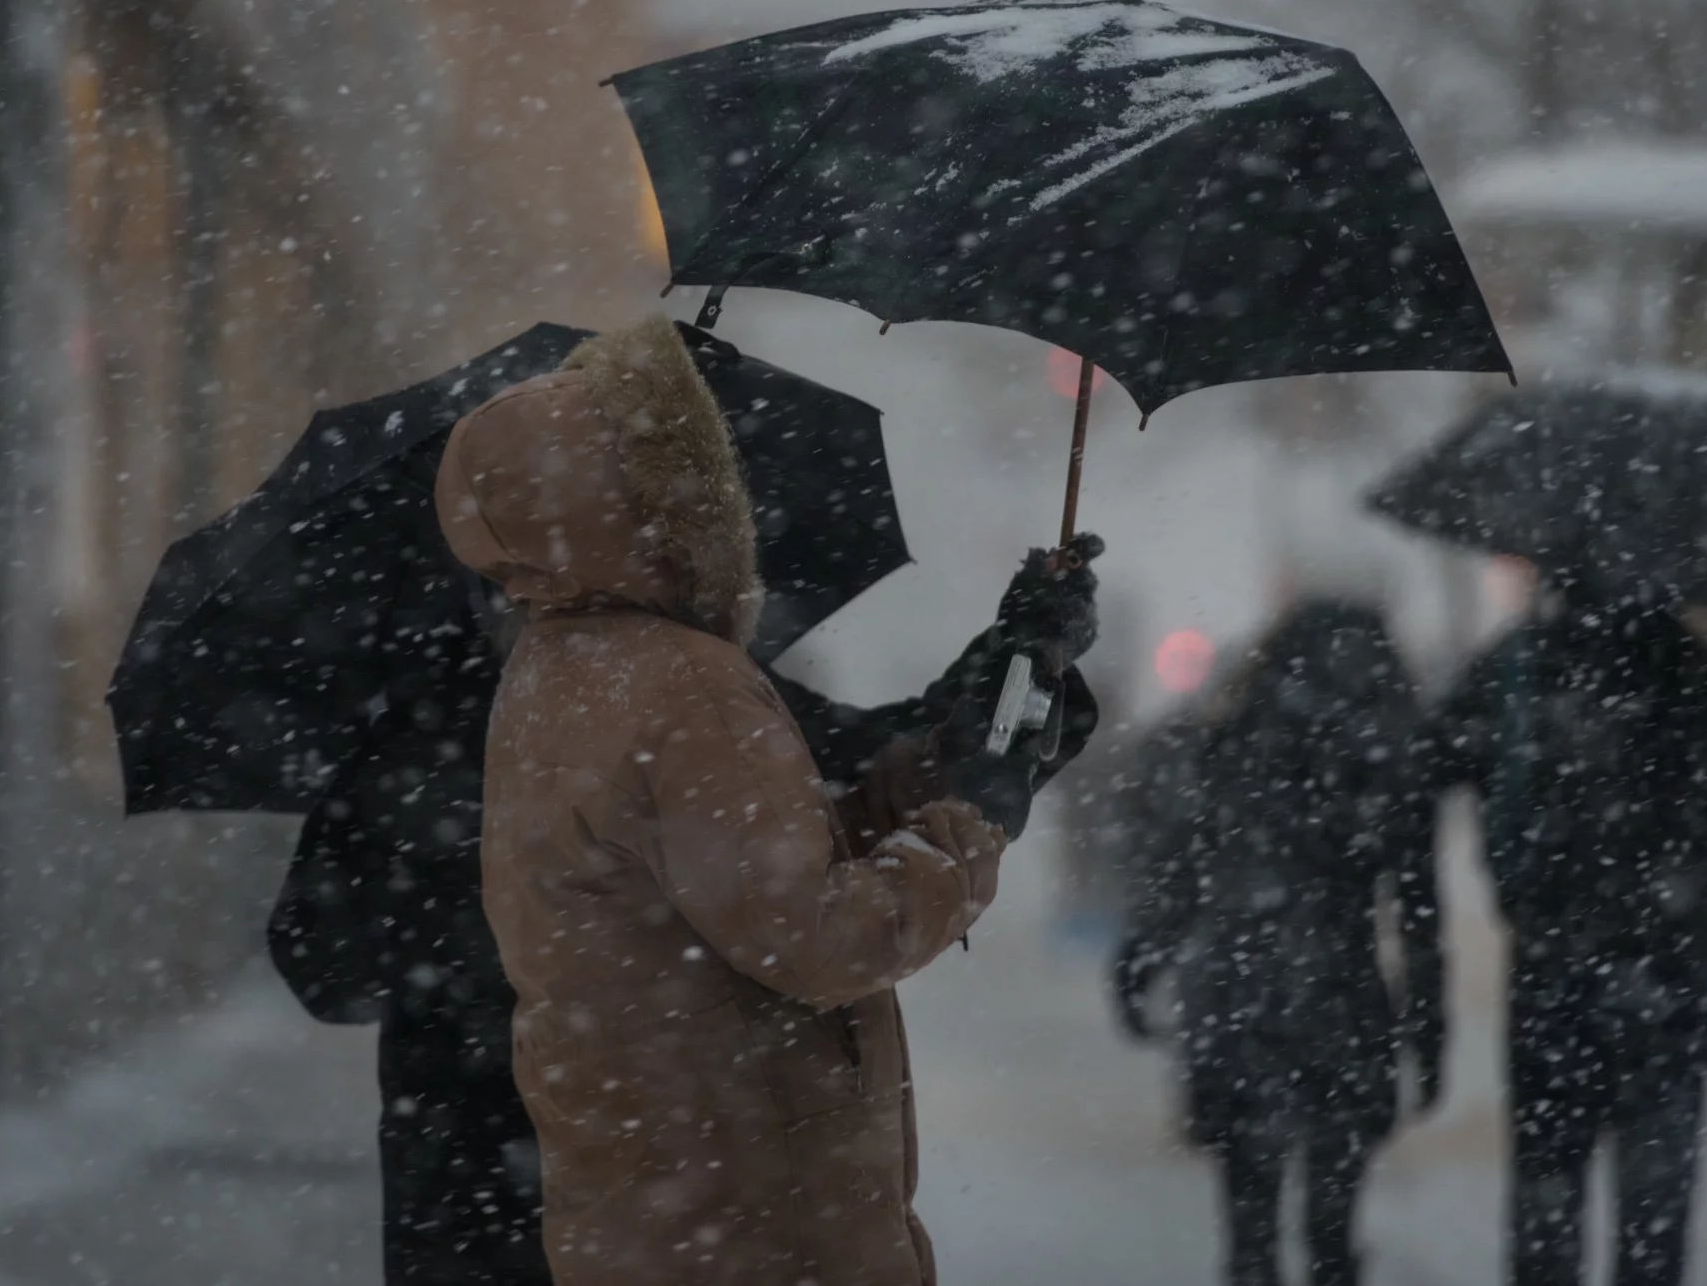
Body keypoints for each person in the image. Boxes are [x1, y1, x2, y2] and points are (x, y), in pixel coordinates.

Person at [269, 405, 1103, 1286]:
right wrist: (541, 941)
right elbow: (322, 958)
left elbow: (826, 797)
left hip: (550, 1194)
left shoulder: (561, 688)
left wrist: (1001, 679)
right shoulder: (656, 690)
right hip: (637, 1184)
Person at [1447, 584, 1707, 1286]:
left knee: (1546, 1214)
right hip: (1674, 991)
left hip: (1552, 986)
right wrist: (1703, 880)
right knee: (1654, 1219)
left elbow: (1432, 759)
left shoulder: (1524, 673)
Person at [1110, 601, 1444, 1286]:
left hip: (1237, 1000)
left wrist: (1141, 958)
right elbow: (1418, 910)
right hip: (1341, 1005)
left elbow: (1181, 873)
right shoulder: (1384, 757)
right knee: (1331, 1225)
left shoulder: (1228, 741)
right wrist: (1428, 1027)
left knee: (1249, 1221)